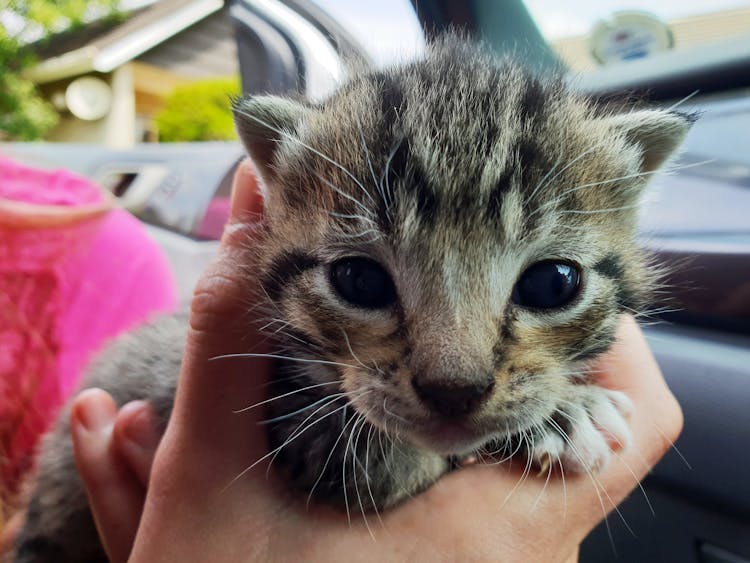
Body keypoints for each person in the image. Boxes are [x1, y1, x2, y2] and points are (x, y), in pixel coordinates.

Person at [2, 160, 683, 562]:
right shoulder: (287, 372)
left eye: (548, 283)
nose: (456, 377)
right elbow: (360, 480)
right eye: (362, 281)